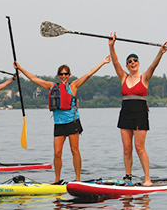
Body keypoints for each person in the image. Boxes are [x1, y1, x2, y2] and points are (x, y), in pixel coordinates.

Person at [15, 56, 111, 184]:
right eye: (61, 74)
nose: (64, 76)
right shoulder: (52, 86)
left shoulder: (74, 85)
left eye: (66, 74)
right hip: (59, 124)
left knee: (74, 150)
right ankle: (57, 179)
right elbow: (34, 79)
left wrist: (103, 63)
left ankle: (78, 178)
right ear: (58, 75)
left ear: (69, 75)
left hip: (72, 122)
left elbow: (89, 74)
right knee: (57, 152)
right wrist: (20, 68)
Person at [108, 33, 167, 186]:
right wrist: (111, 46)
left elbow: (153, 66)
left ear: (138, 63)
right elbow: (115, 62)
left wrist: (160, 53)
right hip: (125, 114)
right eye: (129, 62)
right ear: (127, 65)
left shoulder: (144, 77)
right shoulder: (123, 77)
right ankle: (128, 177)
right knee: (126, 148)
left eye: (135, 60)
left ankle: (147, 178)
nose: (132, 63)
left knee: (139, 148)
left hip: (140, 114)